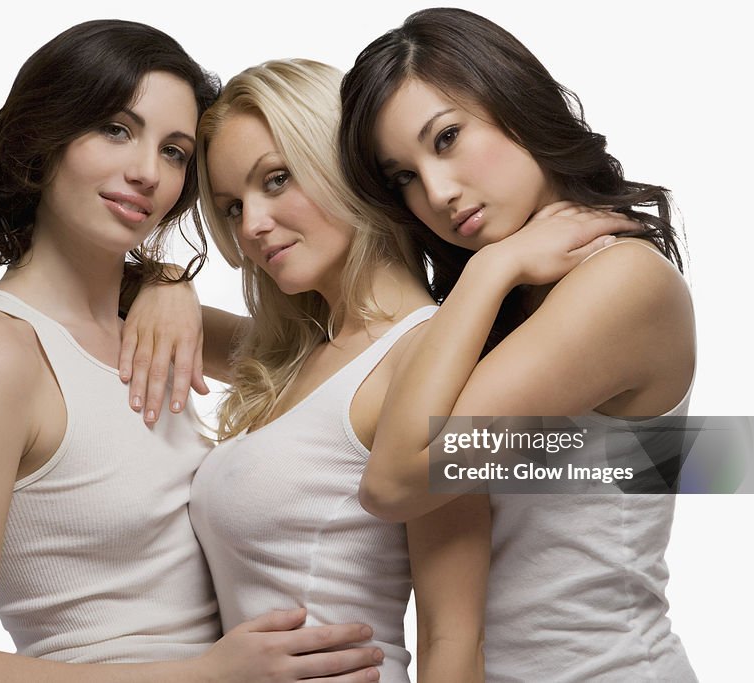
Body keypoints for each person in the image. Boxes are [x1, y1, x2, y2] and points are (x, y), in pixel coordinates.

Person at [0, 20, 385, 683]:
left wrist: (165, 283)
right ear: (45, 136)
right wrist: (205, 674)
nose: (148, 171)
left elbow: (335, 362)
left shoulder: (156, 328)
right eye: (116, 129)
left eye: (175, 151)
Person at [120, 58, 627, 682]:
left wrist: (492, 268)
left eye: (277, 179)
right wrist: (168, 280)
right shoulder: (298, 358)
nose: (251, 226)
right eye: (229, 207)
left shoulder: (424, 358)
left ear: (340, 167)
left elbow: (453, 639)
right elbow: (95, 291)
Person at [337, 8, 698, 682]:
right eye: (403, 177)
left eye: (446, 137)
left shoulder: (622, 281)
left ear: (513, 98)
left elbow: (393, 483)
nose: (437, 193)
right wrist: (159, 290)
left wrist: (489, 269)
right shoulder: (505, 302)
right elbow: (316, 362)